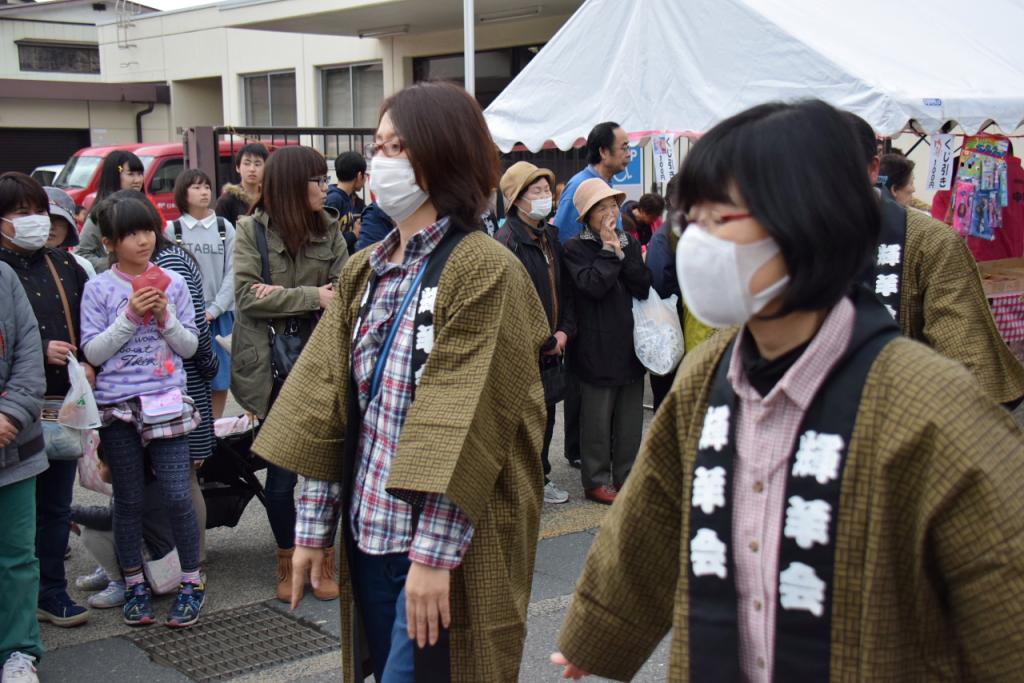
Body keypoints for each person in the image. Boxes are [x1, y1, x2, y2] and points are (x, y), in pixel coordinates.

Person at [551, 100, 1024, 682]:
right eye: (690, 220)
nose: (698, 242)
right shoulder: (709, 375)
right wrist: (602, 630)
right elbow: (651, 514)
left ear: (806, 221)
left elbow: (1003, 597)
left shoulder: (933, 408)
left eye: (722, 217)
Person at [253, 81, 550, 682]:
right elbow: (322, 404)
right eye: (379, 145)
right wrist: (312, 531)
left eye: (399, 147)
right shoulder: (365, 267)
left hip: (446, 542)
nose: (381, 161)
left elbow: (466, 419)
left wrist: (434, 557)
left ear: (445, 155)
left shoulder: (486, 267)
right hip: (371, 532)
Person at [81, 192, 205, 628]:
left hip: (166, 401)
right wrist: (131, 317)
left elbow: (190, 346)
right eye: (130, 233)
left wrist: (166, 317)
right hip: (117, 405)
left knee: (176, 494)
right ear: (110, 242)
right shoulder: (97, 288)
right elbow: (92, 351)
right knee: (128, 499)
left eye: (147, 230)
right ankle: (134, 583)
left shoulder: (173, 281)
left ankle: (192, 581)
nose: (142, 240)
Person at [231, 145, 348, 603]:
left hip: (321, 366)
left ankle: (322, 557)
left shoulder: (331, 230)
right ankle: (287, 558)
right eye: (317, 180)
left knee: (326, 473)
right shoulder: (251, 232)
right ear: (292, 187)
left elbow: (345, 291)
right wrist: (309, 296)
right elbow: (246, 296)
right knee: (280, 480)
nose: (325, 187)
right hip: (271, 371)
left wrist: (282, 293)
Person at [846, 114, 1024, 408]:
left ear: (874, 169)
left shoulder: (931, 239)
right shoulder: (770, 238)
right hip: (1000, 267)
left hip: (898, 410)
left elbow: (968, 355)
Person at [0, 172, 92, 628]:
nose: (35, 221)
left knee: (56, 505)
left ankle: (51, 592)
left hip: (63, 403)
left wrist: (88, 358)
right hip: (13, 409)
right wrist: (40, 348)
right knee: (19, 516)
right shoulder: (1, 273)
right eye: (21, 213)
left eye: (40, 211)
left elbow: (88, 322)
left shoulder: (65, 265)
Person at [562, 178, 651, 505]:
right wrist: (607, 251)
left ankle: (626, 476)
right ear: (587, 215)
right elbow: (591, 286)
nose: (611, 212)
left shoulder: (627, 239)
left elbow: (642, 285)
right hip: (594, 346)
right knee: (597, 420)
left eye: (614, 205)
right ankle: (596, 480)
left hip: (630, 342)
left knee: (630, 418)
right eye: (603, 207)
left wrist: (622, 249)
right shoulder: (574, 248)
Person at [553, 122, 632, 471]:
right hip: (584, 304)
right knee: (583, 383)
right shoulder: (580, 189)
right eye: (624, 146)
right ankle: (579, 451)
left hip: (609, 304)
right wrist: (607, 257)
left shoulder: (605, 188)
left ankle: (596, 450)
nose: (629, 152)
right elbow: (572, 246)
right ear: (604, 151)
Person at [495, 161, 575, 505]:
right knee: (522, 419)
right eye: (537, 191)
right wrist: (542, 339)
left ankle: (539, 478)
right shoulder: (506, 242)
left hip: (554, 345)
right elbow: (508, 306)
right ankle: (520, 484)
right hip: (524, 350)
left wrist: (564, 332)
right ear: (517, 198)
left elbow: (565, 291)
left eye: (547, 190)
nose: (545, 197)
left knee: (547, 414)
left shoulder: (550, 237)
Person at [0, 259, 47, 683]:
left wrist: (10, 415)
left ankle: (17, 650)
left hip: (12, 449)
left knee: (16, 556)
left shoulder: (4, 276)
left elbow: (29, 355)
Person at [645, 174, 716, 410]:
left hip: (692, 332)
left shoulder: (694, 233)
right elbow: (659, 286)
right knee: (670, 402)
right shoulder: (664, 238)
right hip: (672, 332)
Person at [167, 169, 235, 419]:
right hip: (185, 317)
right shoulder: (173, 230)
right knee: (190, 374)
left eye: (207, 186)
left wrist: (215, 309)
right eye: (196, 187)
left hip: (220, 314)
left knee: (221, 376)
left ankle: (215, 426)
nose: (204, 191)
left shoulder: (223, 227)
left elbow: (234, 271)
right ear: (183, 193)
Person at [75, 150, 146, 273]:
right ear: (114, 175)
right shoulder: (102, 212)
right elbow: (82, 254)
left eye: (140, 174)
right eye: (131, 174)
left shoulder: (146, 207)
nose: (137, 180)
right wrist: (117, 264)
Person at [44, 186, 96, 279]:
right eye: (45, 218)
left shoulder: (81, 267)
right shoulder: (13, 266)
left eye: (59, 220)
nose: (51, 226)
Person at [326, 151, 368, 254]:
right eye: (365, 174)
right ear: (359, 175)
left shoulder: (346, 197)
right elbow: (328, 241)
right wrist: (353, 234)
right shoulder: (334, 199)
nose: (366, 178)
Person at [215, 143, 268, 221]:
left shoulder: (270, 198)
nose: (252, 169)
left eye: (257, 164)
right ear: (237, 168)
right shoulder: (227, 201)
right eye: (247, 163)